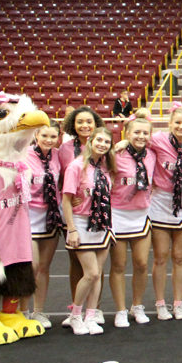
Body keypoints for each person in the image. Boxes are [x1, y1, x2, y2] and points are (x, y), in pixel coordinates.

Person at [146, 104, 182, 320]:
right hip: (161, 201)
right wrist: (122, 141)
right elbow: (136, 138)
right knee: (160, 257)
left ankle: (178, 303)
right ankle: (160, 303)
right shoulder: (158, 139)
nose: (181, 126)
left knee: (179, 256)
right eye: (177, 122)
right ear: (170, 124)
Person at [61, 127, 116, 335]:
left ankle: (91, 316)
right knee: (91, 273)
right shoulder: (76, 166)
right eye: (99, 140)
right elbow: (66, 200)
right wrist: (72, 229)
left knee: (97, 275)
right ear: (90, 141)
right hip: (81, 222)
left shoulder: (103, 167)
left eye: (107, 142)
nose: (102, 144)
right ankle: (75, 315)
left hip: (101, 224)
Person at [58, 106, 106, 325]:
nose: (85, 125)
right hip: (76, 213)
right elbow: (62, 178)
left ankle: (93, 309)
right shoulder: (65, 149)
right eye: (80, 122)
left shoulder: (105, 148)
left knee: (96, 269)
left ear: (96, 124)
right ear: (73, 125)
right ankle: (75, 309)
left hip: (99, 215)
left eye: (89, 121)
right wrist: (72, 196)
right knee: (77, 264)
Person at [109, 113, 156, 328]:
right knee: (118, 265)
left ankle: (137, 305)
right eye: (136, 132)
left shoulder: (152, 154)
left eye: (145, 133)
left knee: (142, 263)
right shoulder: (115, 154)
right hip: (118, 213)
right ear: (127, 134)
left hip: (141, 214)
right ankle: (120, 309)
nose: (141, 136)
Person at [24, 121, 64, 329]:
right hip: (28, 215)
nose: (49, 140)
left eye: (53, 137)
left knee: (44, 268)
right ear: (36, 134)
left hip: (50, 215)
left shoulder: (58, 155)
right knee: (30, 266)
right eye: (44, 136)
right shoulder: (23, 154)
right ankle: (22, 310)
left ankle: (38, 311)